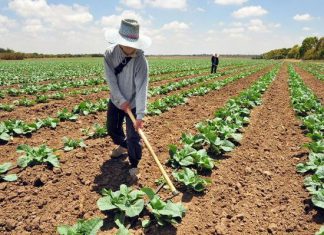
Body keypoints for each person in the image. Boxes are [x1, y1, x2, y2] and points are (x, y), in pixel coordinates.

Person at [103, 19, 152, 182]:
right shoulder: (109, 54)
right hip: (117, 101)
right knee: (112, 128)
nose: (130, 47)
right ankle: (123, 146)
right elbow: (111, 80)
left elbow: (141, 88)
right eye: (126, 43)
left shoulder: (140, 61)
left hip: (134, 102)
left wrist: (140, 115)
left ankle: (134, 164)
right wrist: (120, 100)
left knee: (134, 136)